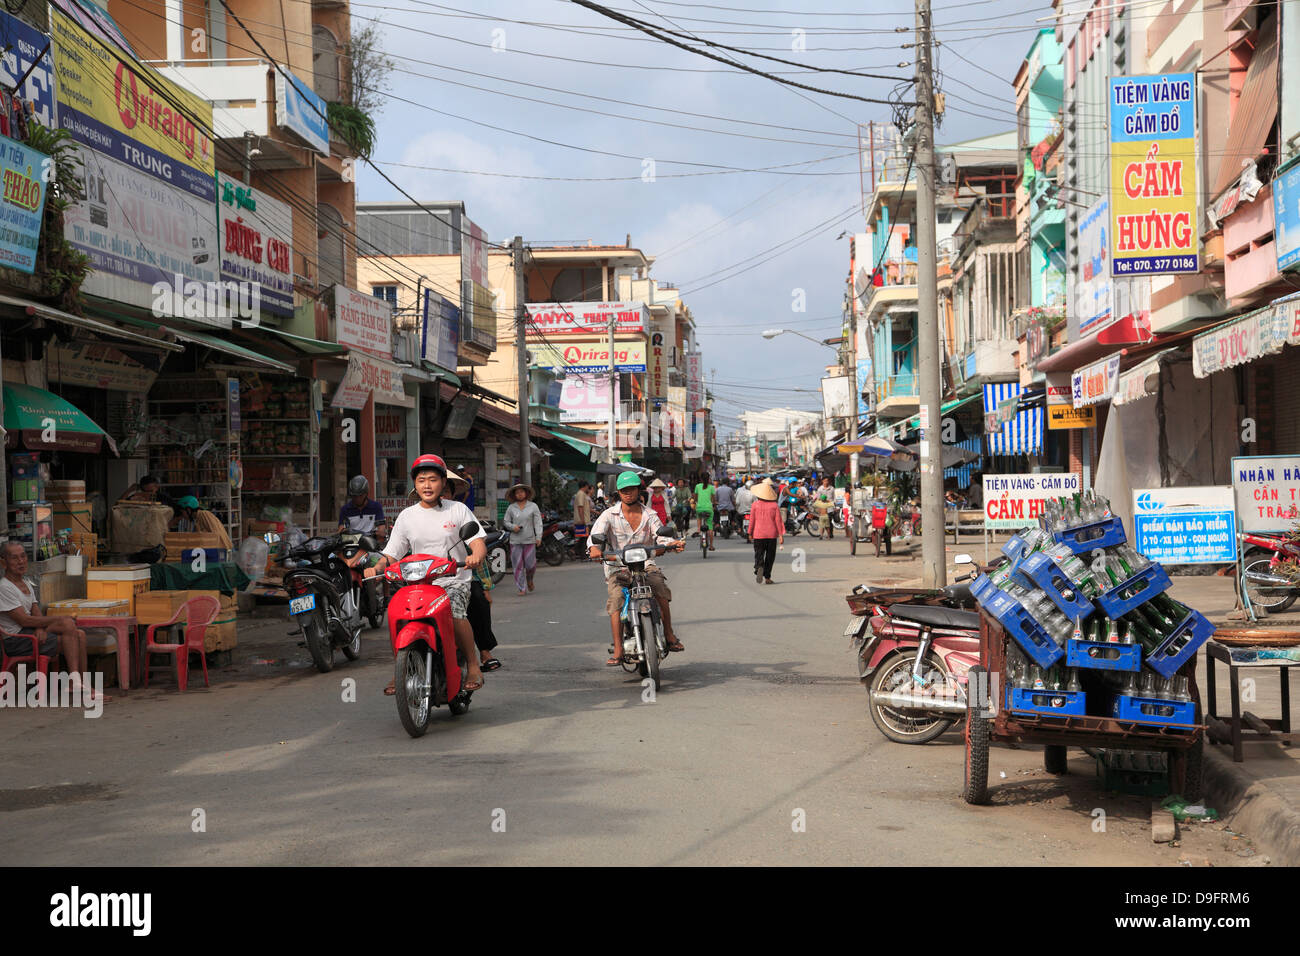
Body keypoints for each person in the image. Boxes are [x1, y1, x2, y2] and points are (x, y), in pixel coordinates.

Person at [367, 454, 487, 696]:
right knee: (395, 613)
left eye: (433, 479)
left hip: (452, 581)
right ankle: (400, 667)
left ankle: (474, 666)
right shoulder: (407, 516)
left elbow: (478, 541)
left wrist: (476, 554)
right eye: (422, 480)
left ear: (443, 482)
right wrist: (378, 567)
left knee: (454, 611)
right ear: (415, 484)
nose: (427, 485)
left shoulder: (458, 510)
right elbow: (393, 552)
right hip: (418, 583)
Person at [587, 472, 685, 666]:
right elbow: (595, 534)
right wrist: (594, 548)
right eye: (624, 490)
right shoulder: (609, 515)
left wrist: (672, 543)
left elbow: (660, 535)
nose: (628, 493)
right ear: (619, 493)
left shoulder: (650, 514)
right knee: (616, 599)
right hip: (618, 566)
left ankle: (669, 633)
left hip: (646, 564)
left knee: (660, 588)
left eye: (631, 489)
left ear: (638, 490)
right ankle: (618, 648)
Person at [0, 540, 102, 701]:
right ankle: (79, 683)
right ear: (3, 562)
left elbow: (36, 612)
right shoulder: (4, 587)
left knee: (78, 633)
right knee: (71, 627)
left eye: (23, 556)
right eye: (14, 558)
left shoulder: (25, 582)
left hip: (31, 633)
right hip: (17, 640)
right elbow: (24, 620)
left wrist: (41, 629)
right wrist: (59, 618)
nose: (21, 561)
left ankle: (79, 683)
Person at [504, 482, 542, 596]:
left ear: (526, 493)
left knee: (531, 565)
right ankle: (521, 588)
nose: (519, 494)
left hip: (529, 539)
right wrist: (513, 527)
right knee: (518, 565)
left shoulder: (533, 506)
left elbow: (538, 522)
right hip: (515, 541)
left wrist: (539, 536)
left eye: (521, 492)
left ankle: (529, 579)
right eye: (517, 493)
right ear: (514, 495)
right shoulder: (511, 508)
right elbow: (506, 522)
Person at [749, 479, 783, 585]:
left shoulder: (755, 505)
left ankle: (759, 567)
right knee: (770, 556)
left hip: (758, 534)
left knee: (759, 554)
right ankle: (767, 578)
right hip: (771, 534)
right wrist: (781, 535)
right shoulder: (774, 506)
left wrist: (750, 532)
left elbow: (752, 520)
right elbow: (778, 521)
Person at [338, 475, 387, 540]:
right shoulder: (345, 510)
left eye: (360, 496)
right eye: (355, 496)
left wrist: (377, 534)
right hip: (352, 545)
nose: (358, 499)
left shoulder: (376, 507)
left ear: (366, 493)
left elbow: (381, 530)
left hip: (371, 545)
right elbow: (341, 531)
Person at [691, 473, 716, 551]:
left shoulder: (697, 486)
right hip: (709, 508)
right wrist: (714, 504)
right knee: (710, 527)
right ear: (709, 479)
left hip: (699, 508)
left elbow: (695, 498)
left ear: (701, 479)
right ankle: (711, 546)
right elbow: (713, 500)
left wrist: (695, 502)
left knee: (699, 517)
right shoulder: (712, 487)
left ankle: (698, 530)